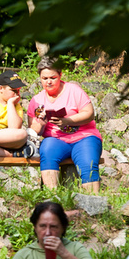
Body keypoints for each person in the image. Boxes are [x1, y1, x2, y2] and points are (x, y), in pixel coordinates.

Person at [27, 56, 103, 192]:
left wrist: (68, 121)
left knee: (88, 163)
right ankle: (53, 197)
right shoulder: (37, 100)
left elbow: (89, 113)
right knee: (47, 151)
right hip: (55, 140)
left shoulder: (73, 90)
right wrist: (41, 123)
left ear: (60, 75)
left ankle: (94, 202)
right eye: (45, 79)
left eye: (53, 77)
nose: (49, 82)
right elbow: (33, 130)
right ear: (40, 78)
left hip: (84, 137)